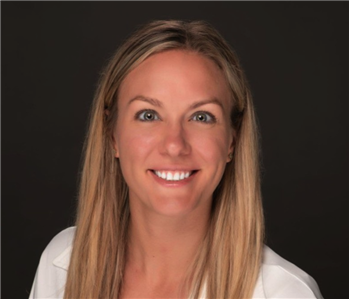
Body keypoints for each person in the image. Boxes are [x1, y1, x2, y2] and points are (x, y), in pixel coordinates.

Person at [29, 20, 323, 299]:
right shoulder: (62, 263)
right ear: (112, 135)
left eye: (201, 116)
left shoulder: (283, 292)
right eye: (148, 115)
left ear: (232, 140)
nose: (174, 145)